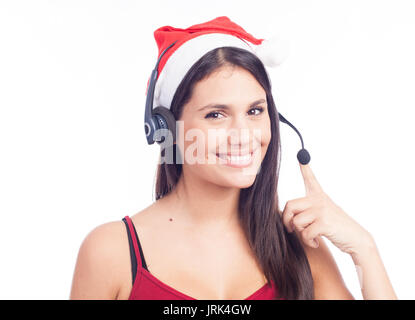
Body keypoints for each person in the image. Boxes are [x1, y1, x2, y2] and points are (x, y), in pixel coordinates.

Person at [70, 16, 397, 300]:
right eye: (216, 115)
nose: (244, 135)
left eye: (255, 110)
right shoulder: (110, 253)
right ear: (167, 128)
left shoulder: (299, 247)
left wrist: (364, 250)